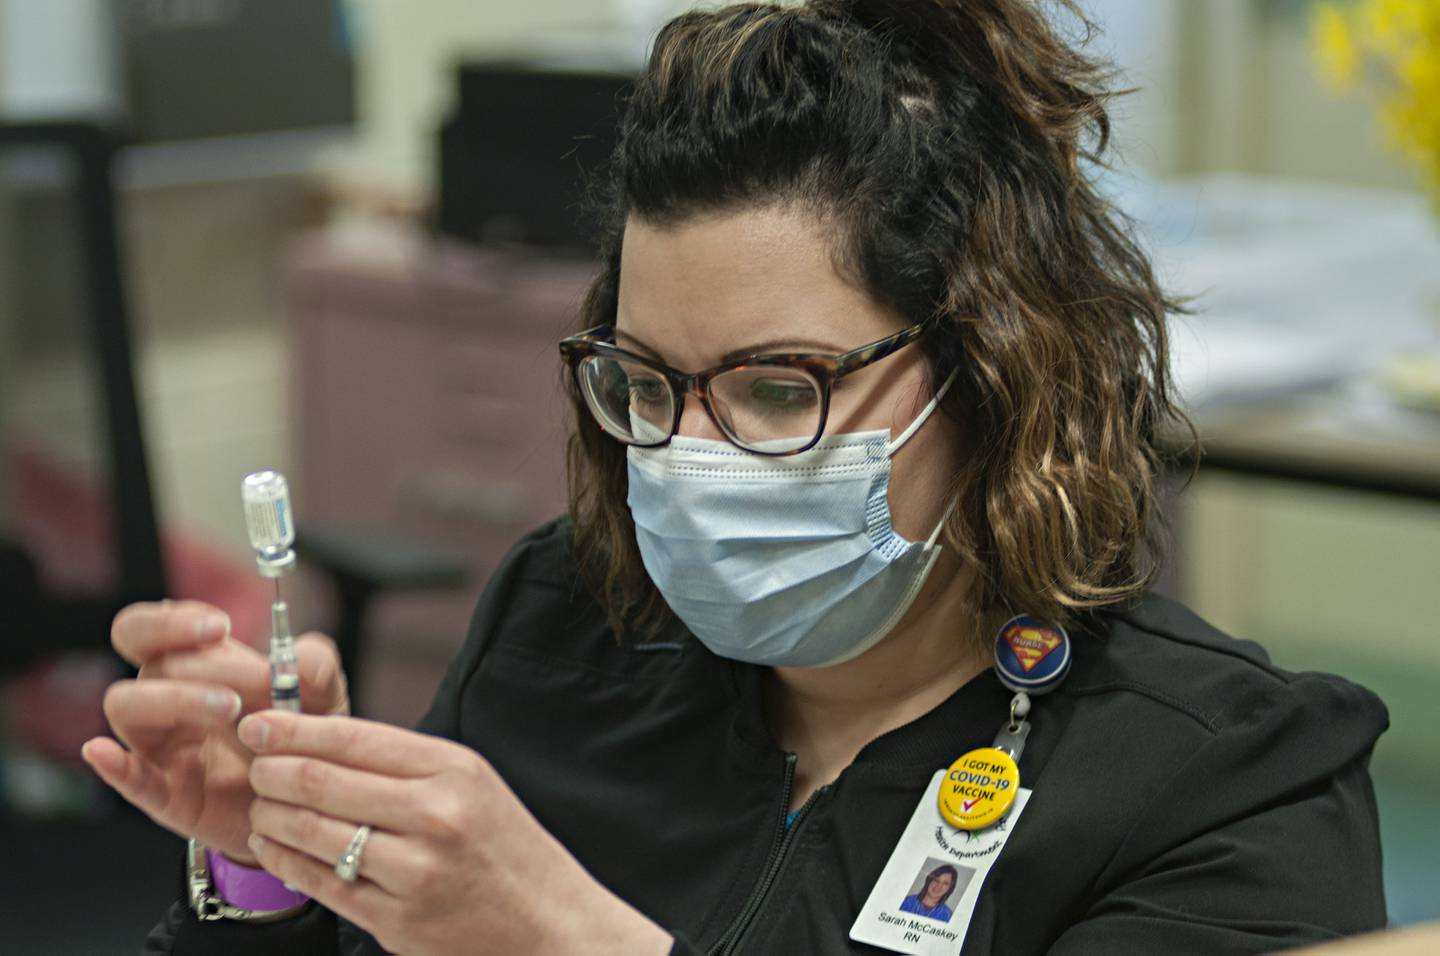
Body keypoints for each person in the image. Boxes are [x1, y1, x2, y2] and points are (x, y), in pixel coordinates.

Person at [82, 1, 1389, 953]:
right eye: (647, 385)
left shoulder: (1222, 785)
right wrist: (276, 867)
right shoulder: (576, 620)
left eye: (779, 389)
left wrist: (555, 939)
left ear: (994, 372)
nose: (692, 458)